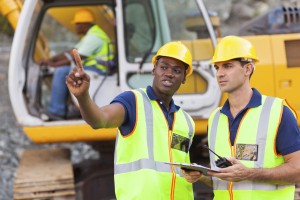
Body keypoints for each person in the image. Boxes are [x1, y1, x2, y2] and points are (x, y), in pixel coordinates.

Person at [66, 41, 196, 199]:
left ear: (184, 78)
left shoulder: (187, 121)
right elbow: (100, 120)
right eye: (164, 67)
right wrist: (83, 96)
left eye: (177, 70)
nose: (169, 73)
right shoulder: (133, 101)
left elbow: (179, 167)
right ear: (154, 69)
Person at [182, 35, 300, 200]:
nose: (220, 74)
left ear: (248, 69)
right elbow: (224, 179)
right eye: (217, 68)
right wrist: (202, 175)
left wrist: (248, 173)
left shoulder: (278, 112)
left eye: (227, 66)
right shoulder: (215, 119)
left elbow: (298, 171)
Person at [40, 9, 114, 120]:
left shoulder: (94, 38)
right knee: (64, 69)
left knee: (62, 72)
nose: (76, 27)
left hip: (98, 70)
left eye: (78, 24)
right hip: (92, 68)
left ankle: (57, 111)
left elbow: (76, 58)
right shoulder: (91, 35)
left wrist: (54, 65)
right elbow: (70, 53)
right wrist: (51, 60)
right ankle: (68, 107)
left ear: (85, 24)